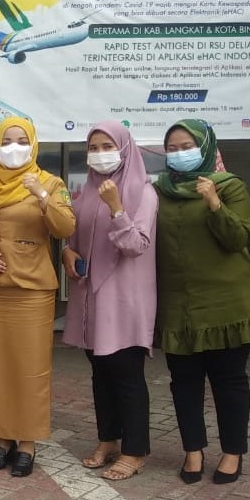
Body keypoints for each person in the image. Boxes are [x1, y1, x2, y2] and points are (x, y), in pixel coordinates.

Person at [0, 116, 75, 477]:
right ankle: (1, 439)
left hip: (32, 290)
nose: (13, 148)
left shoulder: (50, 183)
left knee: (29, 369)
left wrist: (40, 195)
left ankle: (27, 443)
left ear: (33, 145)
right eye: (6, 141)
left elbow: (65, 227)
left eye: (22, 141)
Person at [155, 119, 250, 485]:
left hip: (226, 304)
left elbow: (238, 240)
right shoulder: (159, 190)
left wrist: (214, 203)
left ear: (205, 147)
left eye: (187, 146)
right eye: (172, 148)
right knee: (183, 382)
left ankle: (233, 453)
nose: (179, 153)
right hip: (178, 305)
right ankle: (193, 451)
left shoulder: (229, 185)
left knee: (229, 381)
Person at [61, 120, 157, 481]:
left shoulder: (143, 192)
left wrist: (116, 207)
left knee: (127, 376)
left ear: (126, 150)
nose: (100, 155)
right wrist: (67, 253)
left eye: (107, 147)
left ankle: (135, 451)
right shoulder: (86, 192)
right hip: (91, 299)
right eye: (94, 148)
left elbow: (136, 246)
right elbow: (74, 238)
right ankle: (109, 439)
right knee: (100, 374)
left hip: (125, 300)